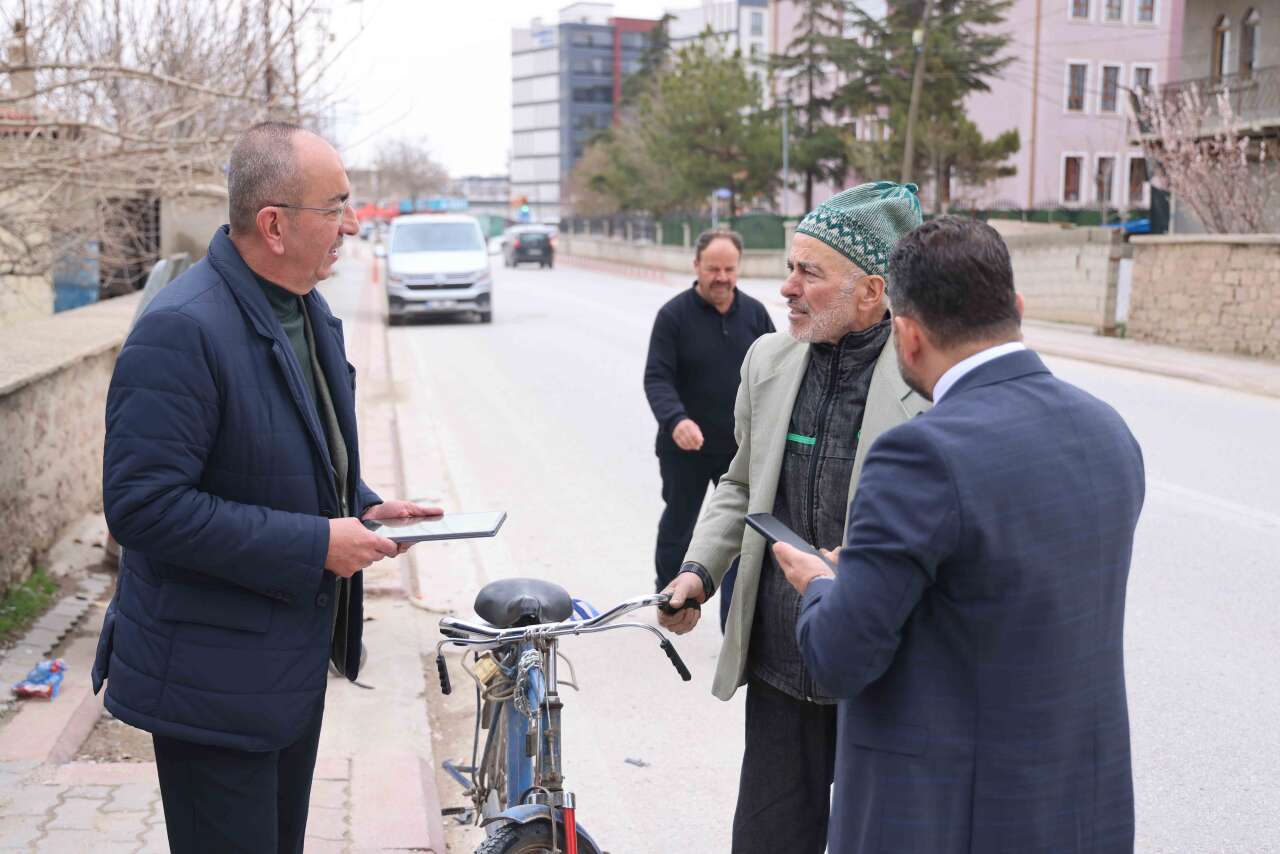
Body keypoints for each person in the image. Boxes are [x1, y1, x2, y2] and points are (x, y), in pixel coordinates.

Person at [91, 121, 439, 854]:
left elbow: (284, 449)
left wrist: (361, 502)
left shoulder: (309, 312)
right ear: (274, 225)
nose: (351, 224)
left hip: (283, 666)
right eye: (336, 206)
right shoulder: (181, 329)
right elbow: (143, 507)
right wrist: (317, 542)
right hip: (209, 682)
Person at [774, 216, 1145, 853]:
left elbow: (839, 657)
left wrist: (822, 585)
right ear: (1016, 308)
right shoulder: (1107, 431)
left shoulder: (920, 455)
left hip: (947, 819)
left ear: (909, 336)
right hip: (1082, 812)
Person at [659, 182, 928, 854]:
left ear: (871, 291)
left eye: (809, 272)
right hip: (781, 665)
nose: (787, 288)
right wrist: (696, 573)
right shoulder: (769, 361)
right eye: (789, 267)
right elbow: (741, 484)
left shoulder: (921, 384)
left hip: (875, 680)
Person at [643, 228, 773, 600]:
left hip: (738, 449)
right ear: (696, 265)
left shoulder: (755, 314)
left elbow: (775, 373)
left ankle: (732, 613)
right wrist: (676, 420)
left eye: (729, 269)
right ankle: (669, 598)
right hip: (684, 448)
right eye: (713, 268)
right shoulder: (673, 316)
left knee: (738, 533)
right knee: (680, 525)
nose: (722, 278)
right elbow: (657, 378)